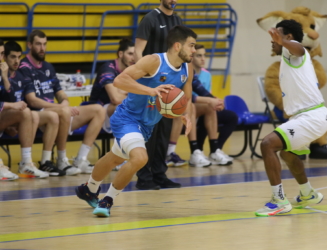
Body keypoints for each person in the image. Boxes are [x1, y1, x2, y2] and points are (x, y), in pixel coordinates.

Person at [75, 25, 196, 217]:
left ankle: (88, 189)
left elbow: (184, 98)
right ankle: (108, 200)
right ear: (176, 46)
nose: (194, 50)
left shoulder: (187, 69)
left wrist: (184, 115)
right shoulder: (153, 61)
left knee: (115, 157)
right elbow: (119, 81)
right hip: (127, 117)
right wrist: (151, 90)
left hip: (147, 125)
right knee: (140, 158)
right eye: (191, 45)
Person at [255, 20, 327, 217]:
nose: (272, 41)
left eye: (276, 37)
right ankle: (308, 193)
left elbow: (299, 48)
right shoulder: (286, 60)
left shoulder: (295, 52)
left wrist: (285, 42)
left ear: (288, 37)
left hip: (311, 116)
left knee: (267, 144)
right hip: (307, 116)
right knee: (287, 154)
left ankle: (278, 200)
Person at [19, 30, 106, 176]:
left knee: (99, 109)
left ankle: (81, 159)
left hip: (56, 112)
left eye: (45, 44)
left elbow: (58, 91)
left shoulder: (48, 67)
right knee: (64, 111)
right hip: (37, 115)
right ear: (29, 45)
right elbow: (32, 100)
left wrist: (65, 100)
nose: (42, 48)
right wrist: (61, 107)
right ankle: (61, 160)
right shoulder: (24, 67)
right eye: (38, 44)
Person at [134, 0, 183, 190]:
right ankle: (144, 177)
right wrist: (146, 73)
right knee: (150, 132)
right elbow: (138, 51)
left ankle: (159, 174)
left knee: (164, 130)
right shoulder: (150, 18)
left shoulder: (178, 20)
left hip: (170, 83)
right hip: (151, 83)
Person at [2, 41, 64, 176]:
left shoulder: (22, 74)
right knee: (27, 112)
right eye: (13, 57)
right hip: (6, 117)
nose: (17, 61)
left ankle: (40, 162)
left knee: (49, 116)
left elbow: (19, 100)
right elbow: (11, 102)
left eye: (19, 57)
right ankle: (23, 162)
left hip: (15, 117)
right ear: (4, 57)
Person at [167, 71, 233, 168]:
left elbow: (198, 87)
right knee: (190, 106)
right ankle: (189, 150)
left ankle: (213, 151)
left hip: (179, 107)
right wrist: (209, 100)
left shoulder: (187, 67)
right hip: (165, 106)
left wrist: (215, 101)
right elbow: (179, 95)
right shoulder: (170, 67)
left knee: (210, 107)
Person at [89, 38, 135, 170]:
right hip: (97, 110)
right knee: (123, 108)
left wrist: (123, 90)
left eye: (134, 55)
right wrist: (128, 91)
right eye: (130, 54)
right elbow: (115, 98)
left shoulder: (131, 71)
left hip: (113, 109)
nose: (133, 58)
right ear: (120, 54)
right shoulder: (107, 68)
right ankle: (118, 157)